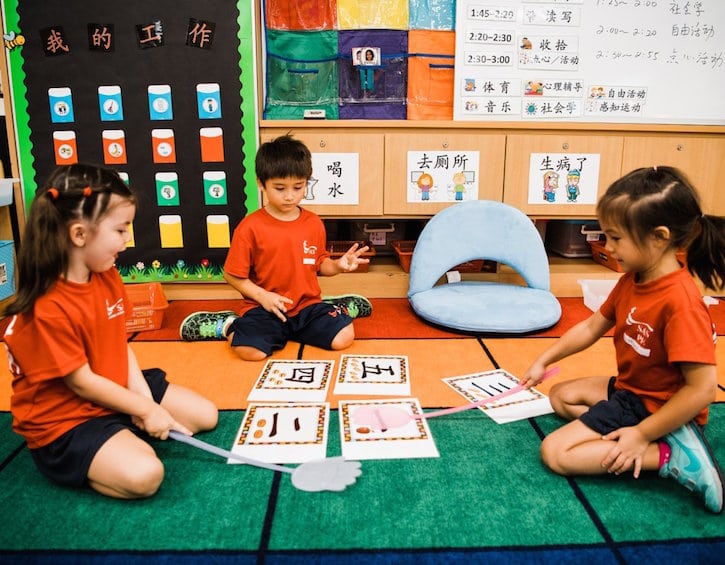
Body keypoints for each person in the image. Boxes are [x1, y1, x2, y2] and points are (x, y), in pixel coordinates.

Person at [3, 164, 218, 499]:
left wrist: (143, 403)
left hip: (114, 387)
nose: (128, 240)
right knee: (146, 475)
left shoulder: (106, 274)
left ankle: (120, 433)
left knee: (206, 415)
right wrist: (144, 411)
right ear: (79, 235)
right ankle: (86, 459)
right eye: (120, 230)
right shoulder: (48, 307)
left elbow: (120, 345)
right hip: (66, 418)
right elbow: (81, 382)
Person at [522, 166, 725, 513]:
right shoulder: (634, 278)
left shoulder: (681, 303)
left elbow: (704, 389)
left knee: (555, 453)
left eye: (616, 238)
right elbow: (590, 328)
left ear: (659, 238)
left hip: (656, 404)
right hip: (634, 389)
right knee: (560, 397)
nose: (607, 246)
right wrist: (545, 359)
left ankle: (668, 454)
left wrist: (642, 434)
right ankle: (647, 432)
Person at [180, 135, 373, 361]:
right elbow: (232, 275)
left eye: (298, 187)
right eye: (280, 188)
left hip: (306, 307)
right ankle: (228, 324)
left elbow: (320, 265)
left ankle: (333, 307)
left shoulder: (313, 223)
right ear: (261, 183)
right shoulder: (249, 228)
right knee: (250, 353)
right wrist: (263, 297)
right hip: (264, 308)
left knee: (344, 337)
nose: (290, 196)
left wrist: (338, 265)